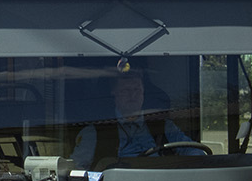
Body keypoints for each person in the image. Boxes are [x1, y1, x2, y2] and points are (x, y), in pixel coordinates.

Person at [70, 68, 203, 170]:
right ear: (114, 93)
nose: (133, 96)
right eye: (126, 91)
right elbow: (76, 169)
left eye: (137, 90)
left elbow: (191, 150)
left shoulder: (163, 126)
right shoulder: (94, 133)